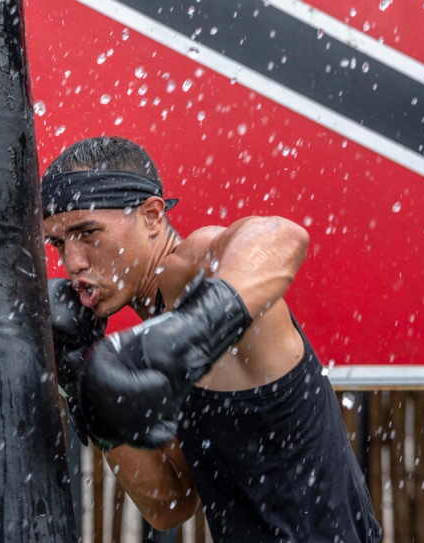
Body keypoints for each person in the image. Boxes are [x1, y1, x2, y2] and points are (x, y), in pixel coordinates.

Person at [44, 136, 381, 542]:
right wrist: (80, 375)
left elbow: (282, 236)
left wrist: (191, 332)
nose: (73, 262)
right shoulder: (163, 330)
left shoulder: (193, 269)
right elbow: (170, 503)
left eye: (87, 232)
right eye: (60, 243)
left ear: (152, 216)